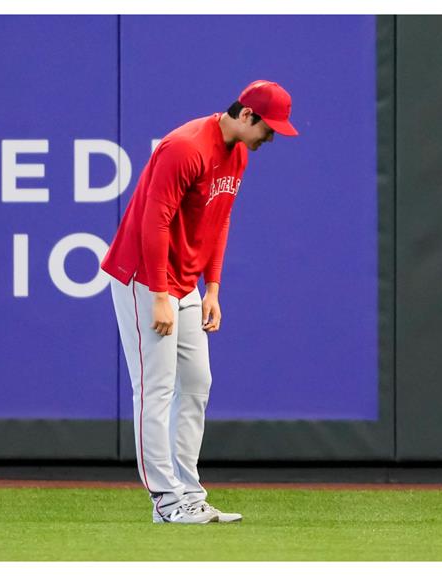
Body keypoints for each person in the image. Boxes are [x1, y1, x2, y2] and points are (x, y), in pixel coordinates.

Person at [101, 80, 298, 524]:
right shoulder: (185, 146)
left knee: (196, 383)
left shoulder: (239, 153)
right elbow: (154, 222)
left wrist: (212, 288)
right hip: (142, 278)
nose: (272, 138)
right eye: (269, 128)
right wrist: (158, 295)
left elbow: (219, 217)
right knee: (155, 389)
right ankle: (166, 502)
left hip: (186, 283)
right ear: (247, 115)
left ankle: (189, 494)